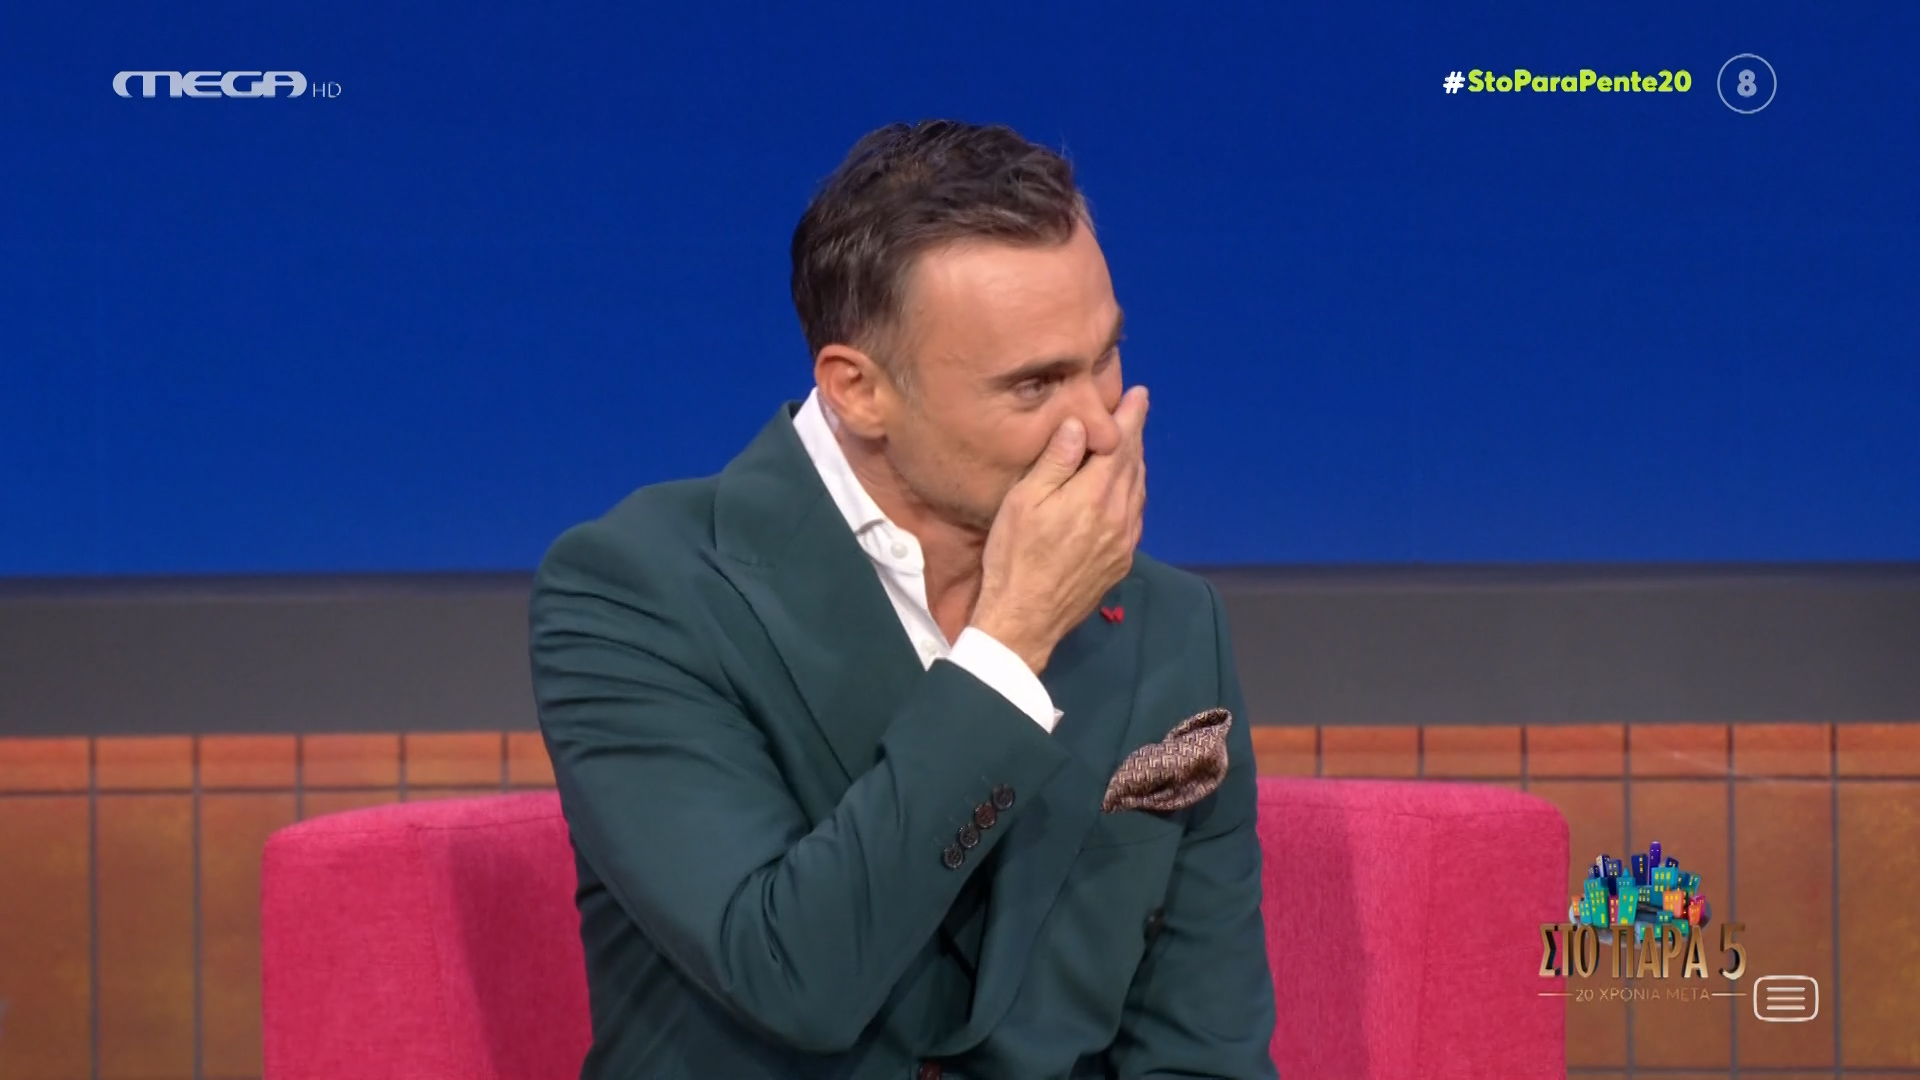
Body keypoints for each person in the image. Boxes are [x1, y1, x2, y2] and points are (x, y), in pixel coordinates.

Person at [529, 118, 1278, 1080]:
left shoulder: (1173, 629)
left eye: (1103, 358)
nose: (1099, 426)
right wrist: (1011, 643)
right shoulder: (641, 594)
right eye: (1035, 385)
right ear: (858, 390)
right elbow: (793, 974)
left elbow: (1202, 1052)